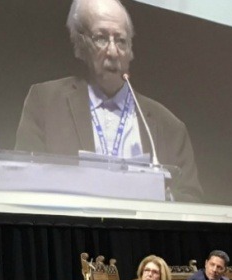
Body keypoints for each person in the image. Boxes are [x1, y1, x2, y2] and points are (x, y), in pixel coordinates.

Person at [15, 0, 202, 202]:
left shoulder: (170, 127)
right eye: (101, 38)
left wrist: (166, 200)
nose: (113, 52)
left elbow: (191, 199)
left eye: (121, 40)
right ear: (80, 45)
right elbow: (22, 179)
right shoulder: (46, 102)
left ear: (130, 51)